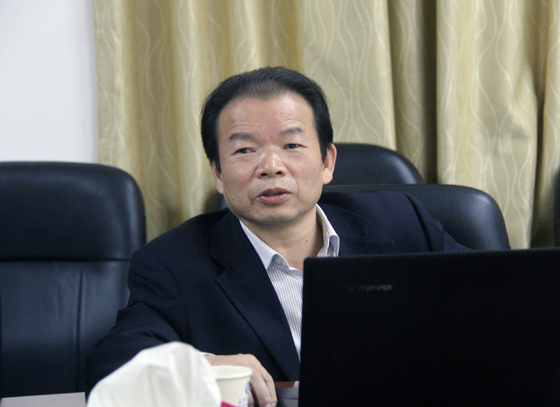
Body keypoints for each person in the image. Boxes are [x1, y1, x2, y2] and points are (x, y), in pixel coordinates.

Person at [85, 66, 468, 406]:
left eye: (292, 145)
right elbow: (112, 367)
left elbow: (492, 298)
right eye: (245, 150)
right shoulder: (174, 263)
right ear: (218, 173)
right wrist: (206, 367)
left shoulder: (400, 223)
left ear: (327, 162)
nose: (271, 166)